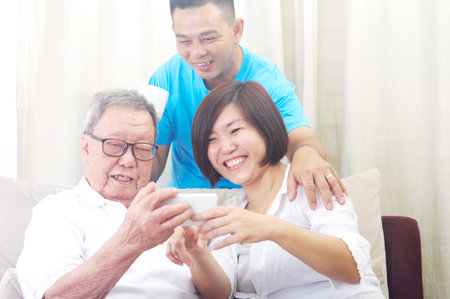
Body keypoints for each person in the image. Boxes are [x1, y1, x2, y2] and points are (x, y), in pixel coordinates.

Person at [166, 81, 384, 298]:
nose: (225, 148)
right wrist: (196, 251)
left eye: (235, 130)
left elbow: (352, 268)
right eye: (211, 140)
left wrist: (272, 228)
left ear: (265, 127)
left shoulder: (309, 180)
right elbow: (221, 292)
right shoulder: (234, 208)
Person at [149, 0, 345, 210]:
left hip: (255, 203)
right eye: (185, 41)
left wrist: (307, 155)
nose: (197, 53)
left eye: (208, 38)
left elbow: (303, 141)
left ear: (236, 30)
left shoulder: (268, 81)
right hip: (190, 202)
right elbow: (153, 160)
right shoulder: (166, 79)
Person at [16, 89, 201, 298]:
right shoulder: (56, 211)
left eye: (142, 148)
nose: (129, 160)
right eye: (114, 145)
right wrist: (131, 241)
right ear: (86, 148)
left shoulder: (174, 210)